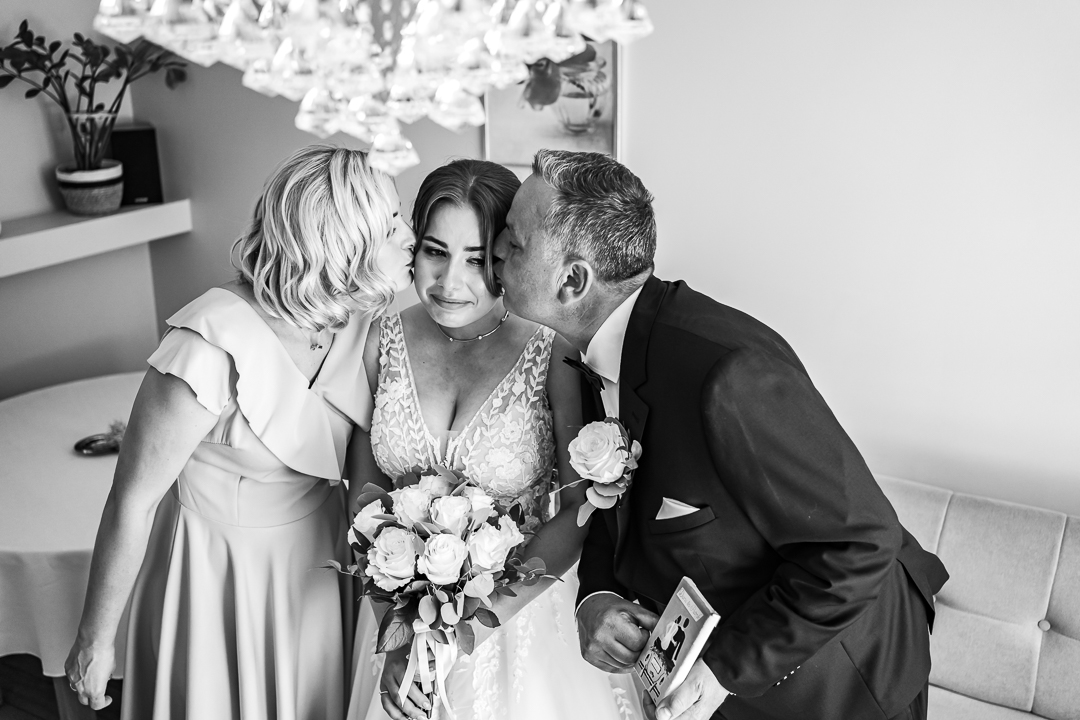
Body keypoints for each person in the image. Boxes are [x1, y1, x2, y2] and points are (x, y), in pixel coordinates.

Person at [492, 149, 950, 720]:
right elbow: (614, 501)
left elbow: (860, 544)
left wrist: (721, 672)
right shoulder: (596, 350)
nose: (497, 250)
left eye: (515, 240)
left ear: (573, 280)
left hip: (844, 680)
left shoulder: (726, 376)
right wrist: (597, 595)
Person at [64, 145, 417, 720]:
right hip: (213, 580)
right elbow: (132, 502)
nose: (410, 237)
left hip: (319, 576)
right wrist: (94, 641)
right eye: (392, 223)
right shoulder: (209, 341)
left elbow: (363, 485)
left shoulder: (361, 328)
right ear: (341, 241)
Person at [346, 158, 643, 720]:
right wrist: (400, 629)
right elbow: (363, 493)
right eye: (435, 251)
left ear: (507, 255)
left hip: (520, 624)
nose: (449, 282)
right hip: (402, 622)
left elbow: (579, 510)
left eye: (477, 259)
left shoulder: (552, 351)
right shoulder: (380, 337)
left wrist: (458, 634)